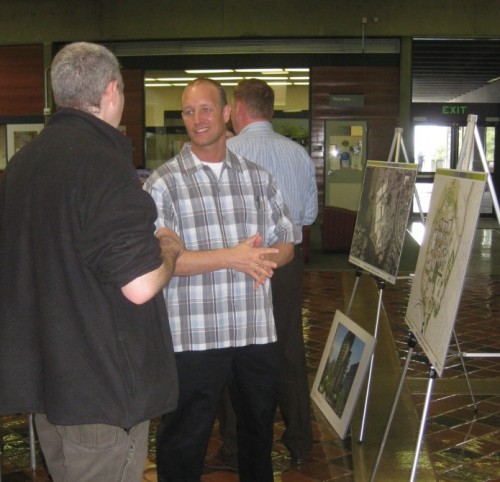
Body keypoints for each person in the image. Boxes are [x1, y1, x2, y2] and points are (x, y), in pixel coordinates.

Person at [0, 42, 183, 482]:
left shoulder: (22, 166)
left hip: (51, 385)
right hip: (101, 395)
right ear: (111, 90)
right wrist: (169, 249)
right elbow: (140, 284)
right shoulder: (105, 165)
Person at [143, 78, 296, 482]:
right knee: (183, 442)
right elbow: (165, 263)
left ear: (227, 113)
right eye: (189, 111)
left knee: (258, 437)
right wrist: (234, 257)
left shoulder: (258, 178)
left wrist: (264, 257)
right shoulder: (163, 184)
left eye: (206, 109)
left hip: (254, 332)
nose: (198, 118)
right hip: (194, 337)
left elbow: (287, 241)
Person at [209, 78, 318, 468]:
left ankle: (236, 445)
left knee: (235, 349)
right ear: (270, 110)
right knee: (288, 348)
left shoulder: (226, 152)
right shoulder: (299, 155)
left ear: (238, 109)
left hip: (240, 264)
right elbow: (308, 216)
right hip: (286, 263)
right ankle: (300, 440)